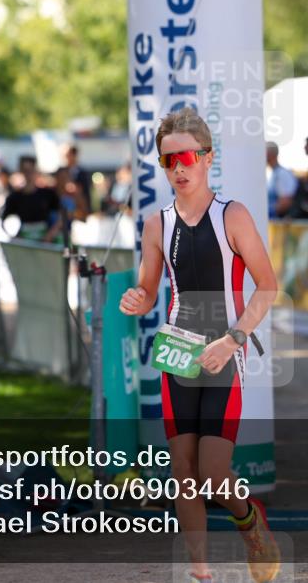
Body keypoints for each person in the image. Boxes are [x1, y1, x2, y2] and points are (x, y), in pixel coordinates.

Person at [118, 107, 280, 583]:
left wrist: (233, 339)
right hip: (177, 354)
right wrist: (137, 299)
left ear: (209, 158)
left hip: (224, 353)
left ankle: (249, 521)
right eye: (169, 160)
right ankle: (200, 570)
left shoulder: (233, 215)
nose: (179, 168)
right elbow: (149, 291)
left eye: (187, 157)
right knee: (182, 471)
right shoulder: (156, 224)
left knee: (212, 471)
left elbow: (267, 286)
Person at [0, 156, 64, 242]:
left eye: (31, 170)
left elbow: (62, 215)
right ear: (21, 171)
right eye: (25, 171)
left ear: (36, 171)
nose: (28, 175)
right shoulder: (14, 197)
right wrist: (14, 237)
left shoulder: (47, 194)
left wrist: (51, 233)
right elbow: (4, 220)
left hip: (45, 239)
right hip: (24, 239)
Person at [266, 141, 298, 219]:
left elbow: (285, 203)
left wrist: (265, 213)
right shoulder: (273, 173)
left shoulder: (282, 174)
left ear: (270, 154)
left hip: (279, 222)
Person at [63, 144, 95, 212]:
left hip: (80, 209)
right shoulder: (61, 172)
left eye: (67, 155)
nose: (65, 158)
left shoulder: (83, 173)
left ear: (74, 155)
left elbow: (87, 192)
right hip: (65, 210)